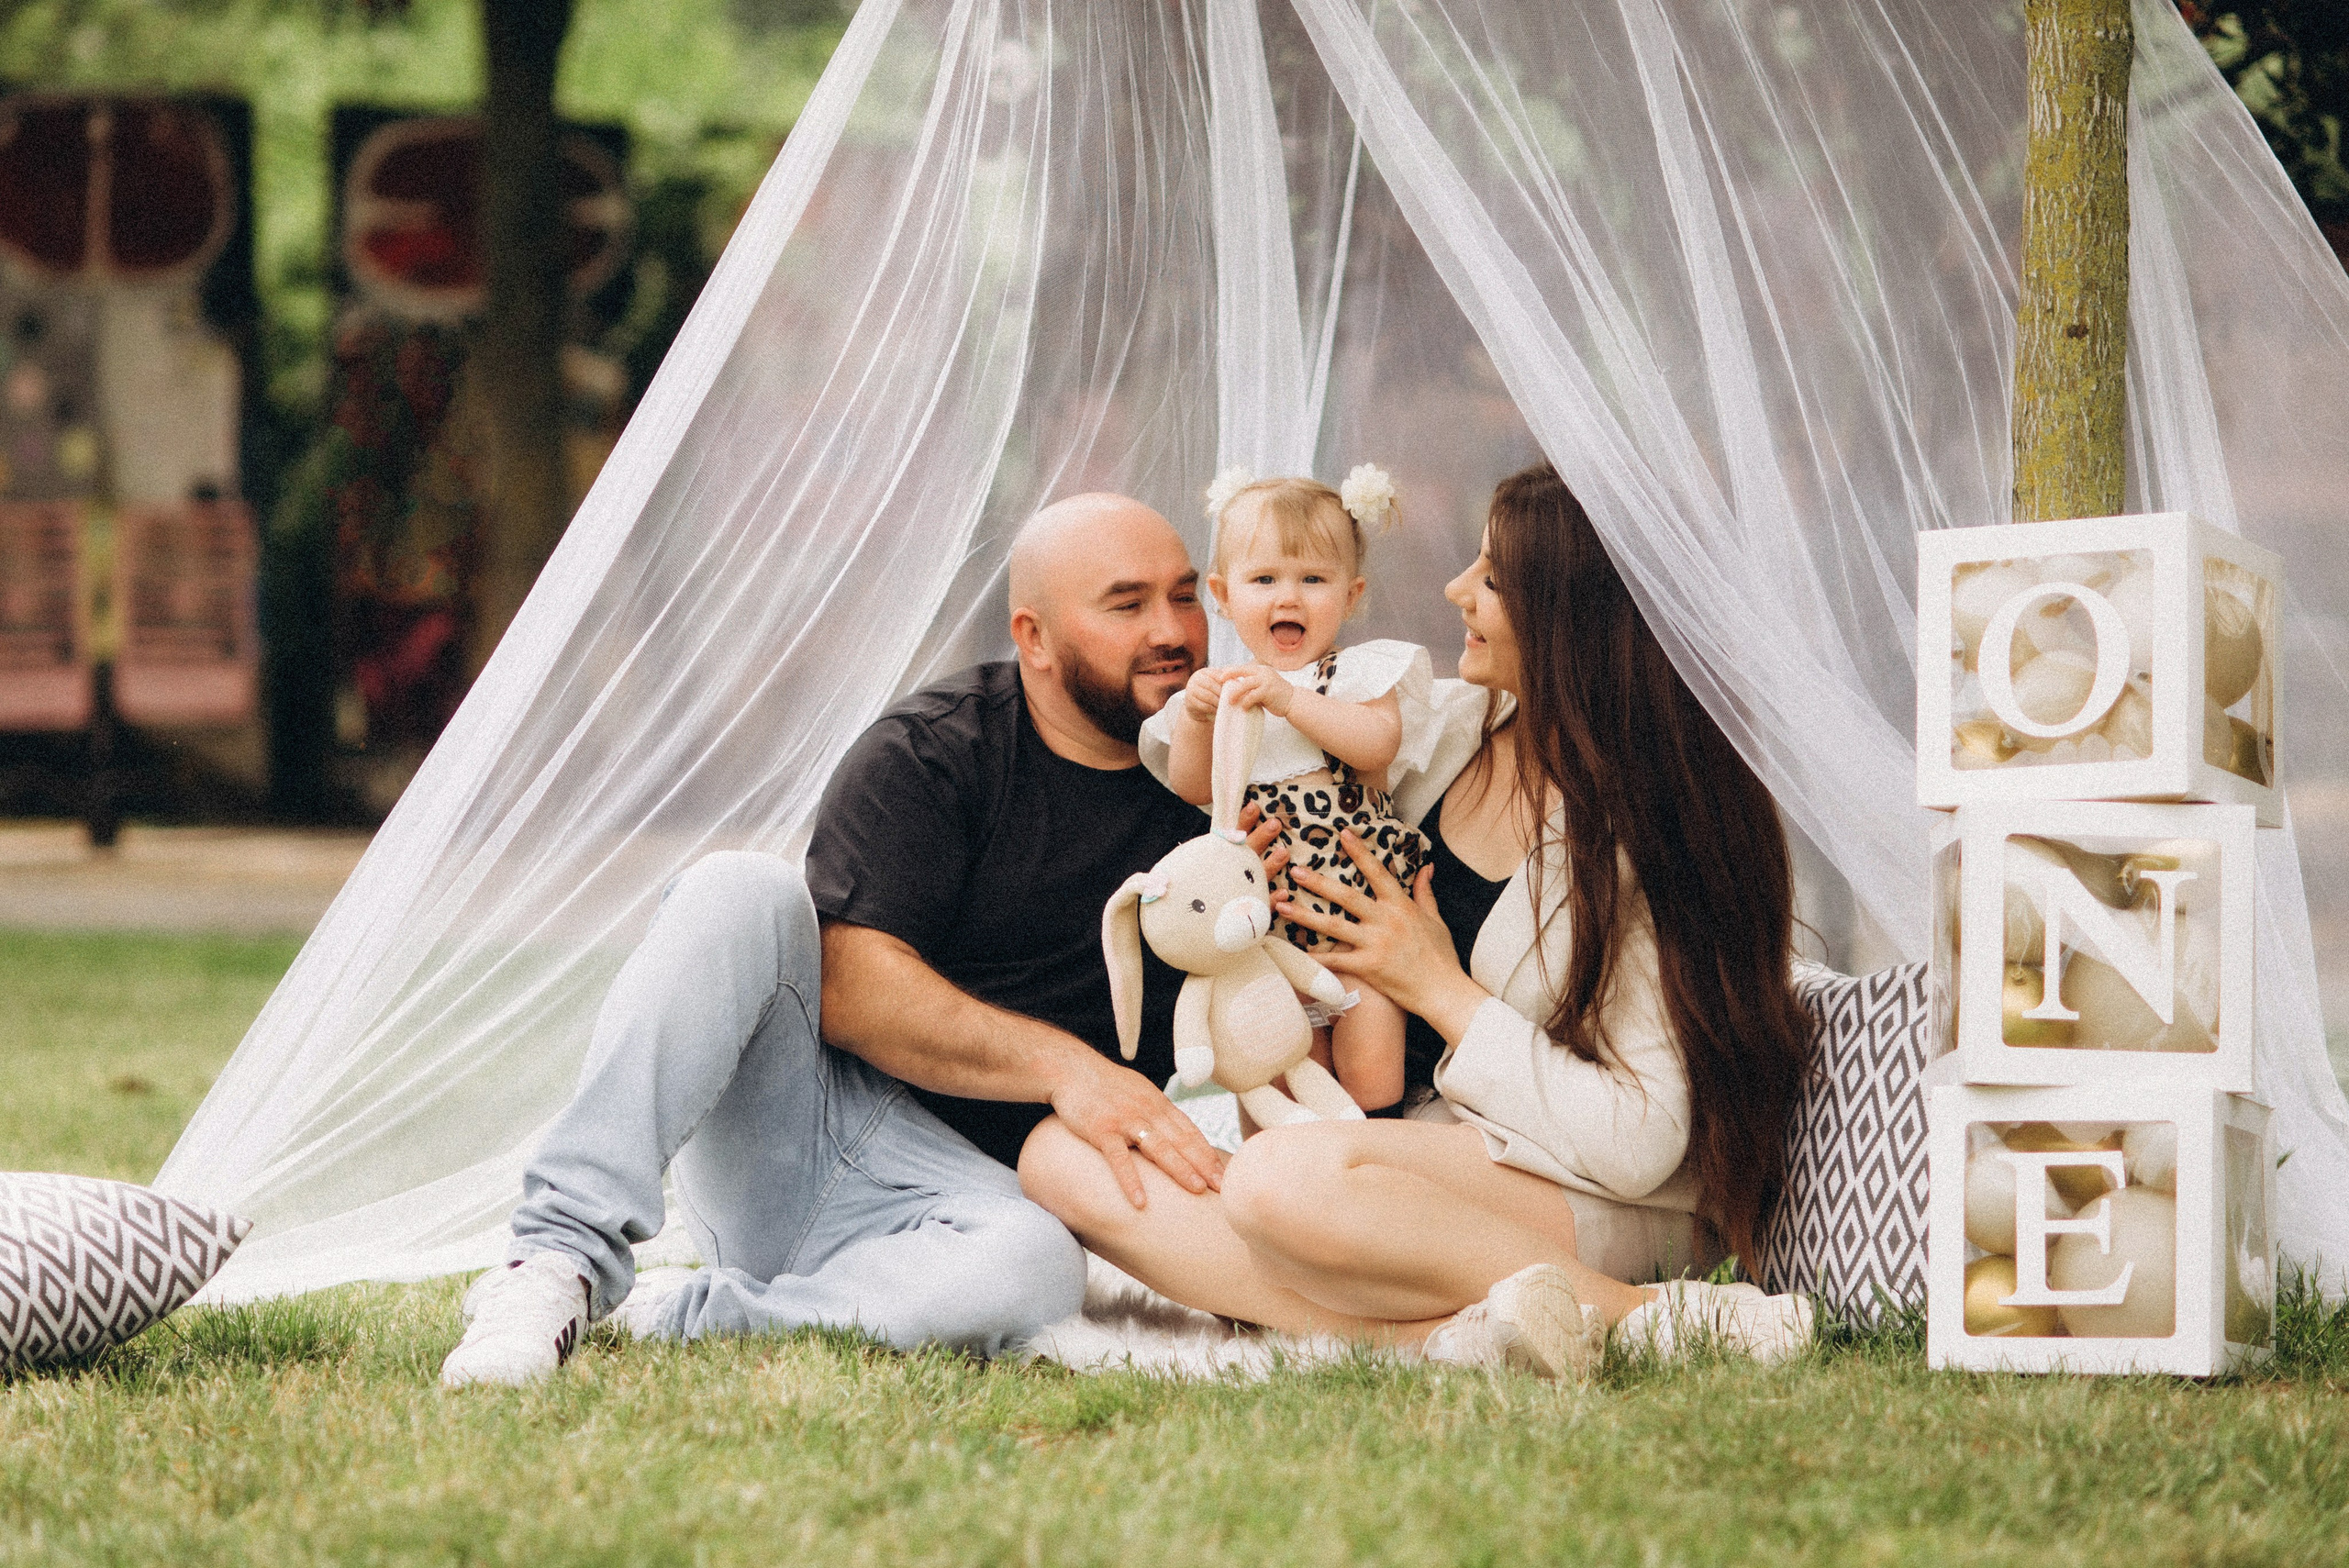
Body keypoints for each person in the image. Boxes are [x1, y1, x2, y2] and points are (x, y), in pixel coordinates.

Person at [440, 492, 1265, 1386]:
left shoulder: (1222, 792)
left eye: (1185, 596)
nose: (1173, 629)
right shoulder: (936, 752)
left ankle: (680, 1313)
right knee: (740, 888)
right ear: (1033, 636)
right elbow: (855, 988)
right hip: (806, 1127)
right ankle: (556, 1258)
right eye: (1126, 602)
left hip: (980, 1206)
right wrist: (1072, 1069)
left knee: (1034, 1269)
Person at [1019, 462, 1818, 1378]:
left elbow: (1637, 1143)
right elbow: (1298, 783)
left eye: (1491, 577)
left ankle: (1646, 1310)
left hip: (1581, 1182)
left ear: (1577, 617)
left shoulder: (1654, 834)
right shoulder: (1454, 727)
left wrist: (1433, 983)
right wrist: (1277, 877)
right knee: (1060, 1151)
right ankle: (1442, 1337)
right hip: (1419, 1143)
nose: (1454, 590)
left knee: (1282, 1182)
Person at [1144, 466, 1438, 1112]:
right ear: (1223, 593)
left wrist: (1289, 698)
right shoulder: (1226, 692)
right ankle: (1298, 1182)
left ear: (1351, 593)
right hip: (1267, 930)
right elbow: (1193, 786)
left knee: (1370, 1079)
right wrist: (1196, 718)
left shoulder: (1354, 674)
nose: (1289, 598)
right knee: (1286, 1075)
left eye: (1313, 579)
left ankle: (1376, 1162)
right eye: (1264, 579)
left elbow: (1374, 744)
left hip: (1358, 922)